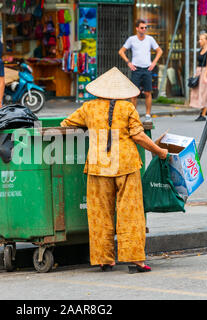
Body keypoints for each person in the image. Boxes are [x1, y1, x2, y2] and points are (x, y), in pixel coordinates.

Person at [60, 67, 168, 273]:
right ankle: (135, 260)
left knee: (99, 214)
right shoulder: (128, 109)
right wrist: (159, 151)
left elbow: (66, 123)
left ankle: (104, 259)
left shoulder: (87, 108)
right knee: (131, 213)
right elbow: (138, 135)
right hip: (125, 165)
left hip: (98, 165)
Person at [119, 19, 163, 123]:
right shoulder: (132, 39)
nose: (144, 29)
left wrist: (154, 63)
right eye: (142, 27)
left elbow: (159, 51)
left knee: (148, 92)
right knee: (134, 94)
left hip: (147, 69)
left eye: (145, 27)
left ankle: (148, 114)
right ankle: (134, 114)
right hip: (136, 69)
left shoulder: (150, 39)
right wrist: (128, 62)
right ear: (137, 28)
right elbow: (121, 51)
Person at [189, 32, 207, 122]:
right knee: (196, 92)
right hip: (199, 71)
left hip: (205, 72)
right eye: (199, 39)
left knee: (204, 94)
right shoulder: (200, 50)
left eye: (202, 39)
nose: (200, 41)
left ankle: (203, 114)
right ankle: (204, 109)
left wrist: (204, 76)